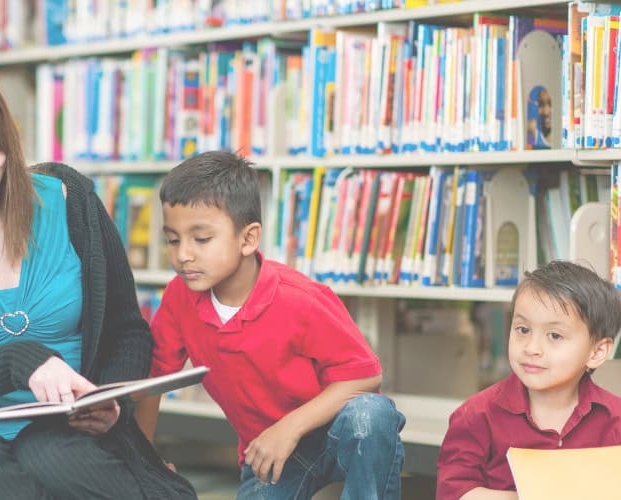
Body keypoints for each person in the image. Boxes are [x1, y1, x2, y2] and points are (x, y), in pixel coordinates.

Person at [0, 49, 195, 500]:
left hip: (72, 428)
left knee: (54, 454)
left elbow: (128, 333)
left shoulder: (71, 200)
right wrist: (16, 362)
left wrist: (111, 402)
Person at [143, 151, 406, 499]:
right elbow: (153, 381)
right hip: (270, 455)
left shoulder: (300, 299)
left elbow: (364, 377)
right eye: (173, 240)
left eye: (201, 239)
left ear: (249, 239)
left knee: (371, 415)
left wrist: (290, 428)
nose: (183, 255)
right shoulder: (179, 298)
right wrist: (144, 461)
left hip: (337, 432)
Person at [436, 261, 621, 499]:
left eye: (554, 335)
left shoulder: (615, 419)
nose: (532, 348)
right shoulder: (476, 415)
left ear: (596, 352)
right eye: (523, 330)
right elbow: (454, 493)